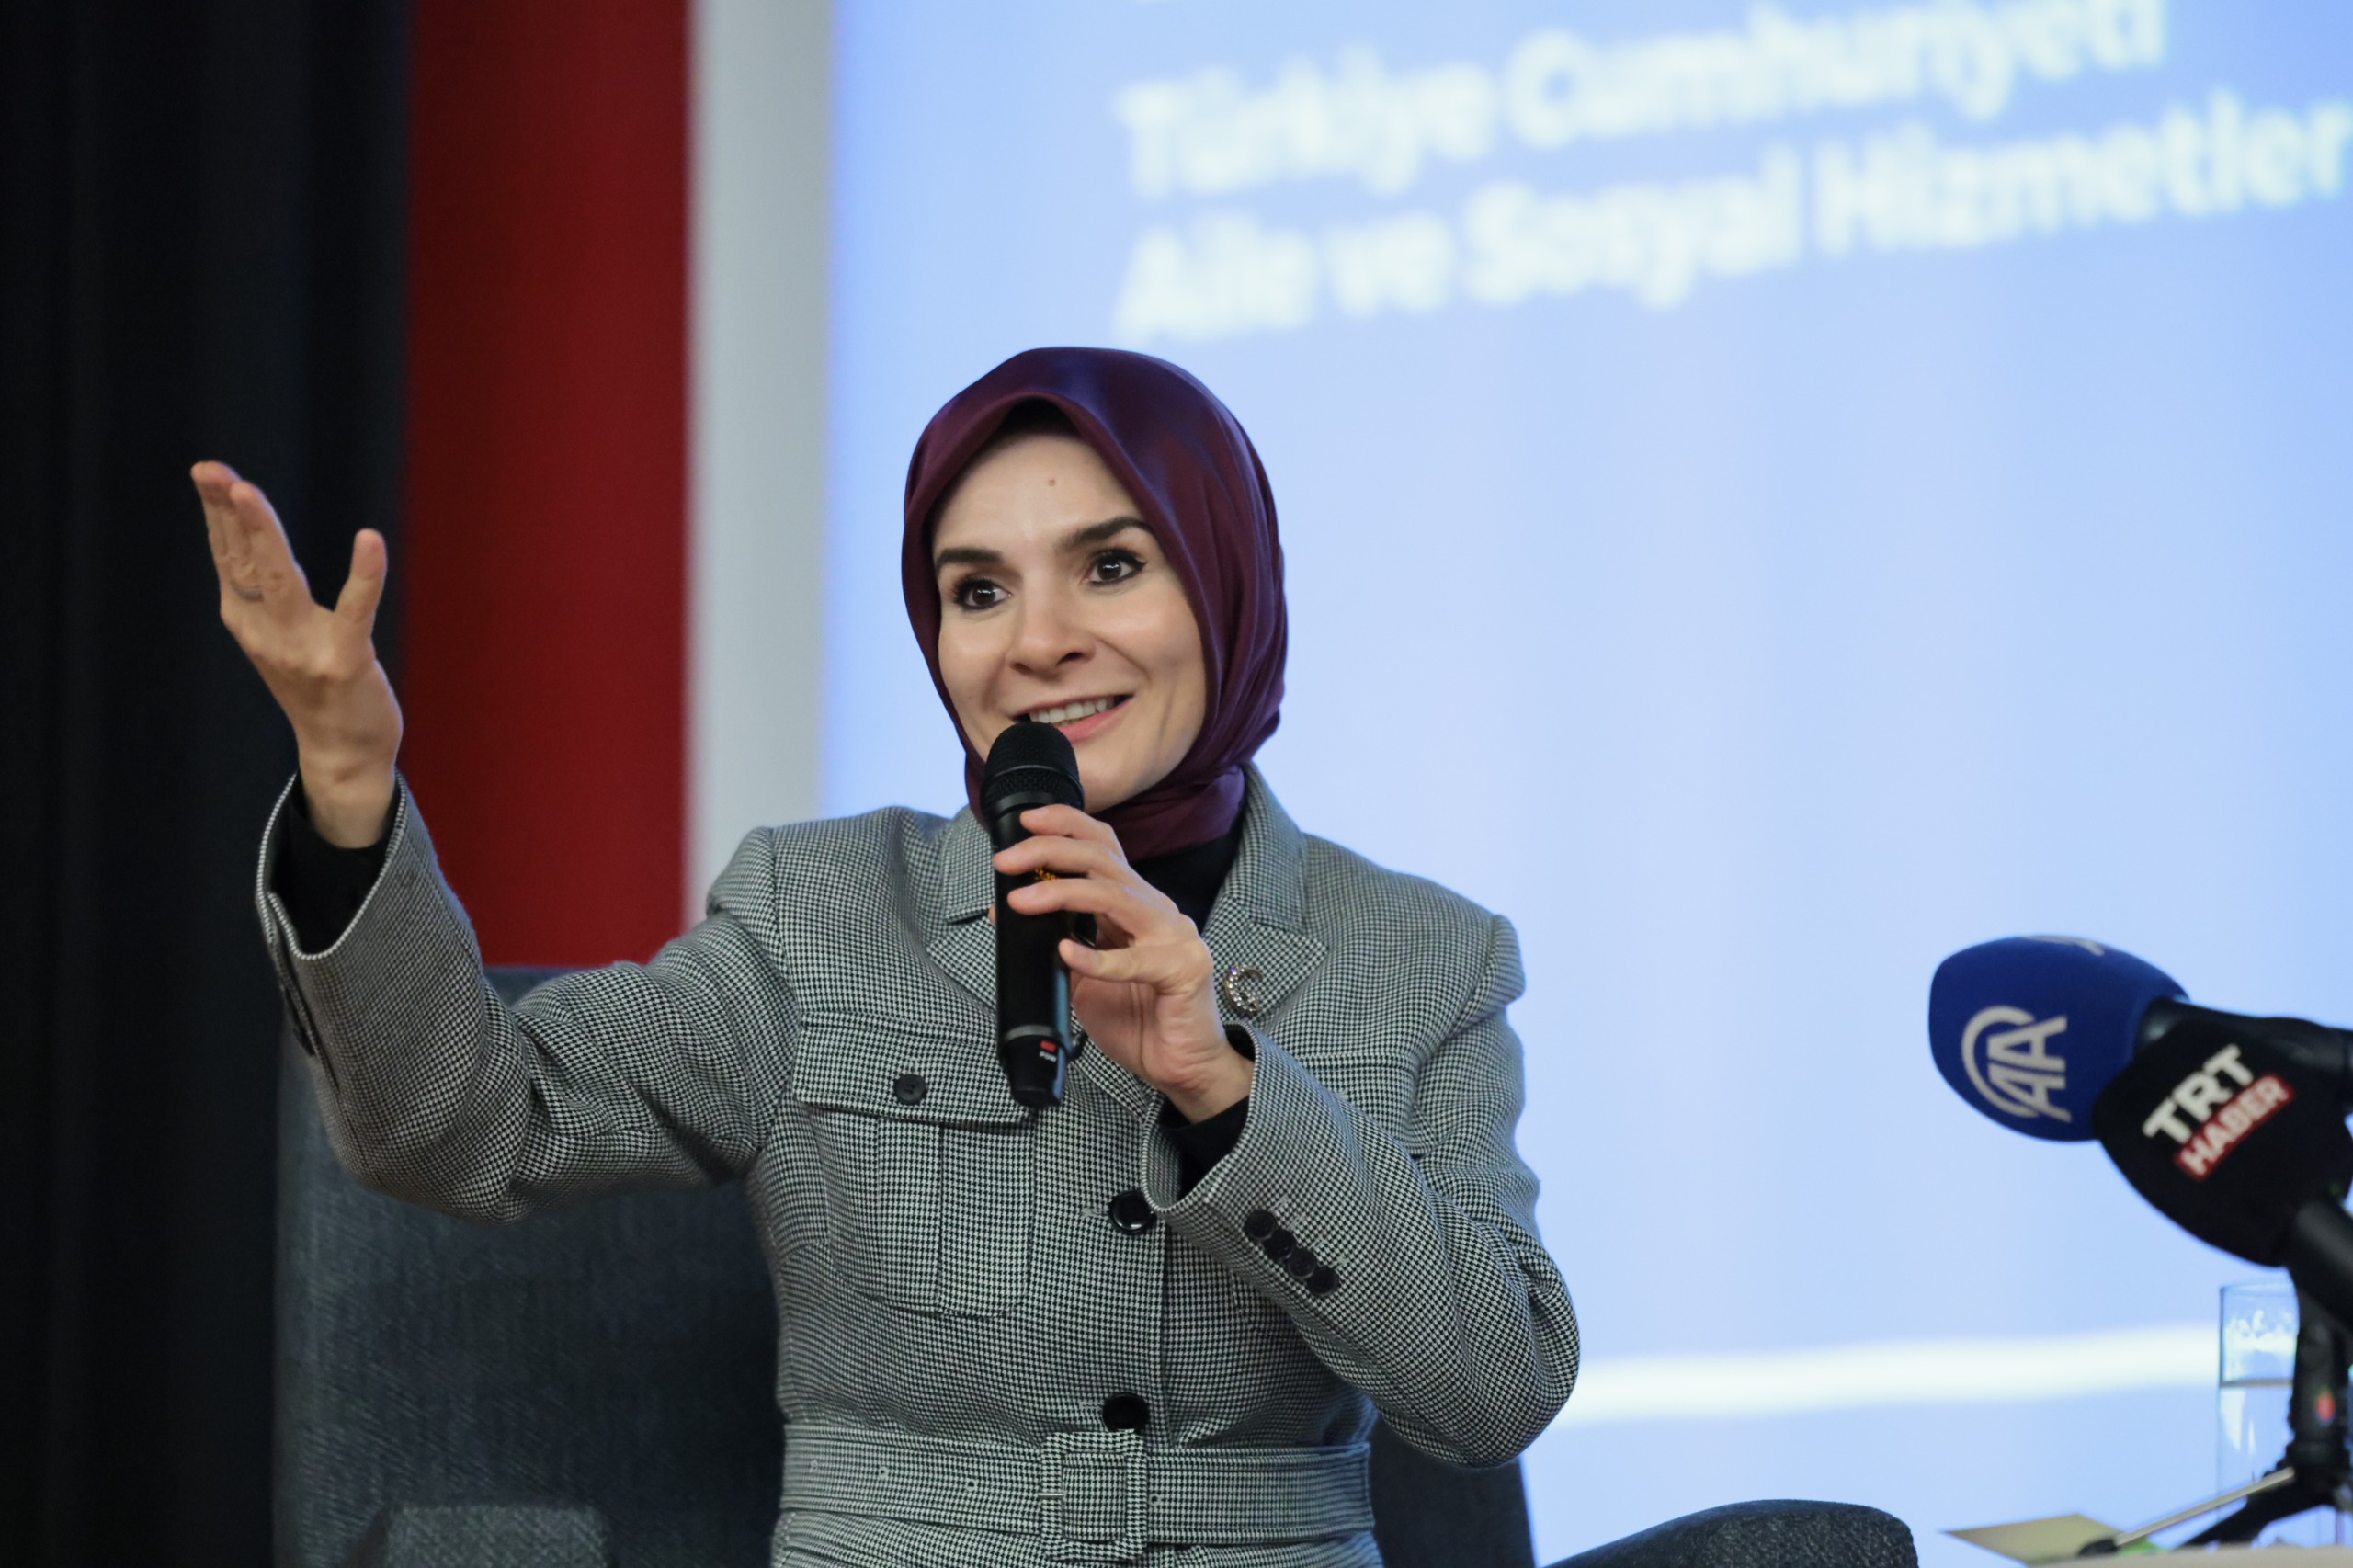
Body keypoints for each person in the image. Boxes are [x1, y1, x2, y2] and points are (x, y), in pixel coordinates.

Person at [196, 346, 1578, 1568]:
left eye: (1111, 565)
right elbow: (463, 1125)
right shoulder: (820, 912)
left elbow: (1494, 1390)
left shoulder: (1426, 956)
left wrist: (1226, 1085)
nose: (1039, 643)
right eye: (979, 591)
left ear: (1229, 584)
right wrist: (348, 781)